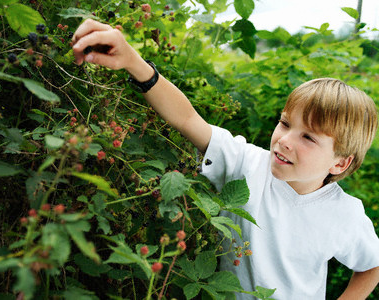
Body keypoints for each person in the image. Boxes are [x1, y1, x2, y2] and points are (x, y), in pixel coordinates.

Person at [71, 19, 379, 299]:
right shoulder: (247, 164)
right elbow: (188, 119)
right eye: (285, 123)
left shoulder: (344, 215)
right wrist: (134, 63)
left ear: (339, 163)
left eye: (308, 137)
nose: (284, 140)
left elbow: (373, 266)